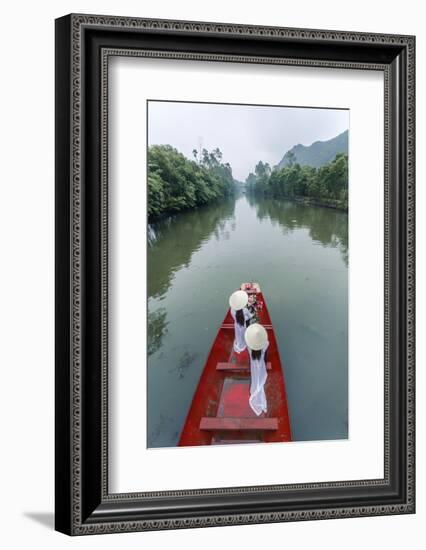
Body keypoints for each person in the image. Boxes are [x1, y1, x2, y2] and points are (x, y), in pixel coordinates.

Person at [245, 323, 269, 416]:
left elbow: (248, 344)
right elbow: (266, 347)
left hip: (253, 365)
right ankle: (258, 395)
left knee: (254, 376)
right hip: (261, 365)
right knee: (259, 378)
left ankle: (254, 389)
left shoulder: (249, 347)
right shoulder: (265, 344)